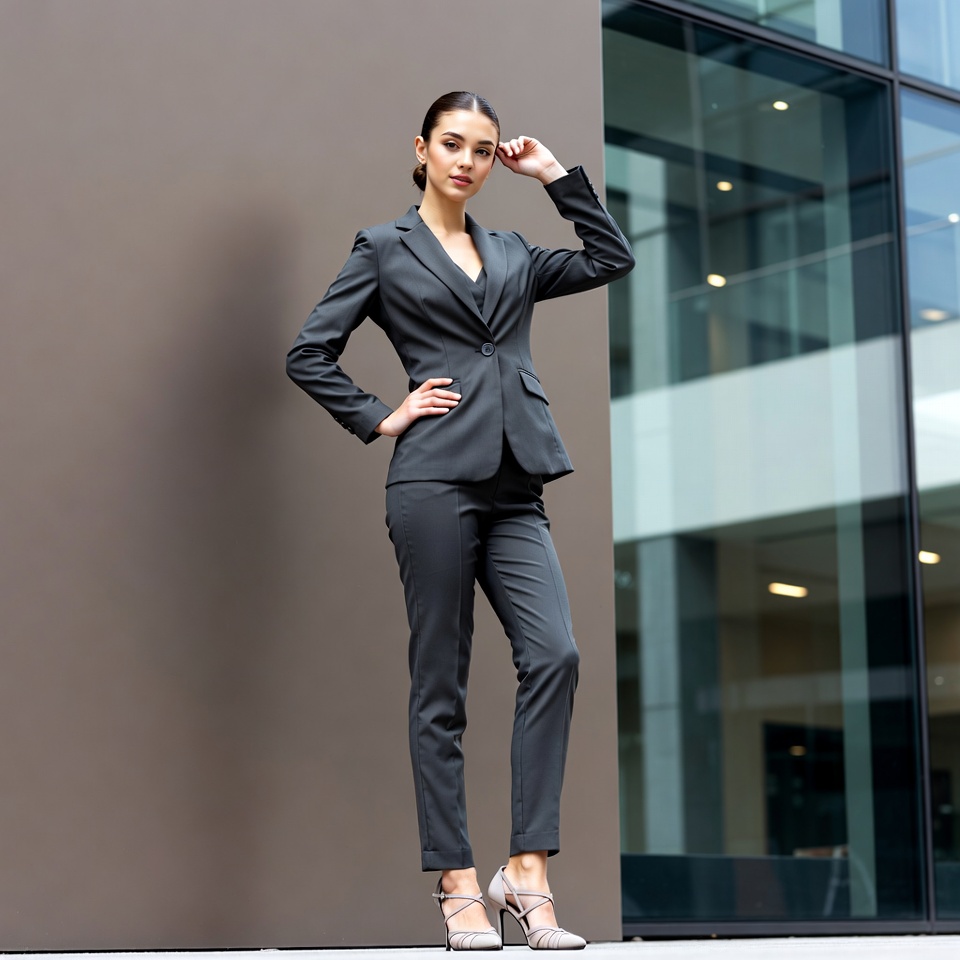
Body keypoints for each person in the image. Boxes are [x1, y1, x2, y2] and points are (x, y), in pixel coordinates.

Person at [287, 91, 634, 951]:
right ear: (422, 147)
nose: (467, 162)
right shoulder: (382, 247)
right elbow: (308, 351)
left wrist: (553, 173)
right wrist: (381, 415)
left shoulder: (513, 252)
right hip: (434, 480)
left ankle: (526, 872)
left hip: (519, 481)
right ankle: (454, 883)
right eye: (452, 144)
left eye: (481, 150)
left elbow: (610, 257)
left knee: (555, 654)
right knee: (441, 682)